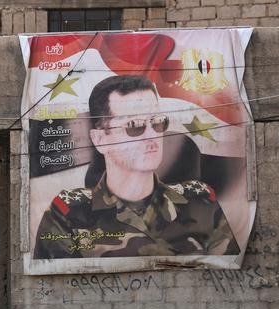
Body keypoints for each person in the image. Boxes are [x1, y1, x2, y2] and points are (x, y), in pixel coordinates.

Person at [34, 75, 239, 259]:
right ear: (100, 140)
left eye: (157, 122)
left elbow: (227, 278)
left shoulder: (199, 201)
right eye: (135, 126)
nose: (152, 136)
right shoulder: (68, 213)